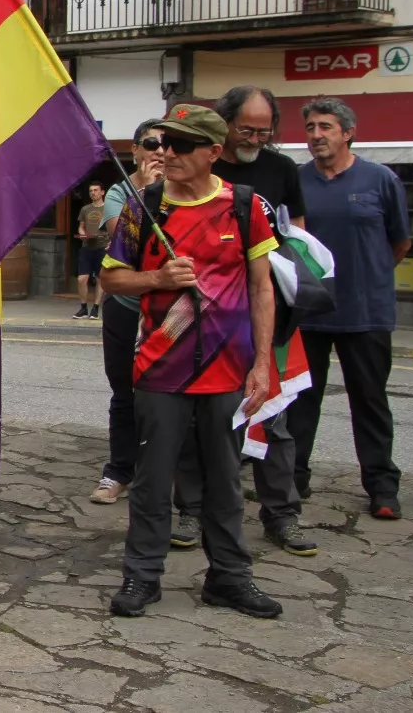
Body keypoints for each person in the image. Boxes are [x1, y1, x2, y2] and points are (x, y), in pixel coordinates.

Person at [100, 105, 281, 620]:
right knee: (153, 478)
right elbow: (112, 279)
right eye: (161, 144)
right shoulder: (144, 207)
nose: (167, 154)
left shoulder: (243, 205)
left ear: (213, 153)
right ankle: (142, 576)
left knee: (224, 480)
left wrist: (263, 365)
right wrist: (157, 280)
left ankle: (229, 577)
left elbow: (262, 288)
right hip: (160, 370)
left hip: (227, 371)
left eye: (181, 145)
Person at [171, 85, 315, 555]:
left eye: (265, 129)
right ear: (223, 131)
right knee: (197, 419)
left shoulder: (281, 169)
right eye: (246, 129)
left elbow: (297, 234)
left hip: (263, 306)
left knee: (271, 414)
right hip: (201, 315)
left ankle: (281, 514)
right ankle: (191, 512)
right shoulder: (198, 162)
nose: (256, 137)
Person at [291, 97, 408, 519]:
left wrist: (366, 276)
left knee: (370, 401)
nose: (316, 135)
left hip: (366, 313)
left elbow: (400, 242)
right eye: (310, 128)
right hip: (310, 312)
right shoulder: (297, 180)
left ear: (347, 132)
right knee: (301, 402)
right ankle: (292, 482)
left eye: (325, 126)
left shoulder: (381, 179)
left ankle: (381, 488)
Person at [89, 122, 163, 505]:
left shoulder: (183, 189)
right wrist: (148, 194)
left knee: (165, 393)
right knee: (123, 389)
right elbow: (125, 238)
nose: (160, 151)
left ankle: (160, 471)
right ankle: (119, 471)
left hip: (169, 307)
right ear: (135, 150)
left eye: (168, 144)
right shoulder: (120, 191)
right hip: (125, 301)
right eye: (151, 143)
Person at [74, 182, 109, 319]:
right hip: (87, 246)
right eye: (90, 191)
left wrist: (111, 242)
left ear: (102, 192)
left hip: (102, 246)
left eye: (95, 190)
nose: (93, 193)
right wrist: (82, 233)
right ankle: (83, 308)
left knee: (100, 278)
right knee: (82, 279)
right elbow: (81, 226)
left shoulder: (108, 209)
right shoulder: (85, 209)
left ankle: (95, 308)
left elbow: (116, 228)